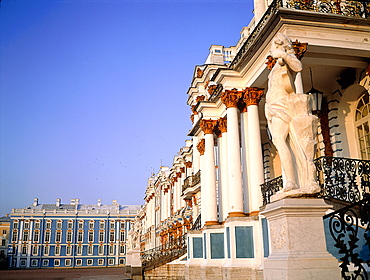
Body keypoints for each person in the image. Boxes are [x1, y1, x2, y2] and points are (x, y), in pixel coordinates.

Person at [266, 33, 319, 194]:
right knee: (283, 142)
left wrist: (283, 54)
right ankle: (291, 180)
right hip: (273, 106)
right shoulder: (276, 65)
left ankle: (291, 181)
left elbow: (298, 67)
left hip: (284, 105)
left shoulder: (286, 58)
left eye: (276, 44)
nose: (273, 47)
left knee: (280, 140)